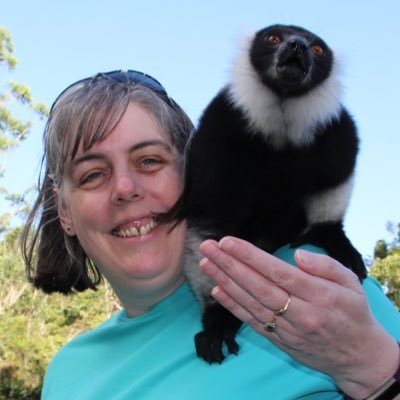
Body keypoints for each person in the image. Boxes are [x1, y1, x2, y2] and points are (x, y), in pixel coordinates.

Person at [21, 70, 400, 400]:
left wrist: (373, 369)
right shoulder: (67, 374)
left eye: (149, 161)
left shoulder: (315, 284)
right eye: (92, 175)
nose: (125, 187)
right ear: (66, 212)